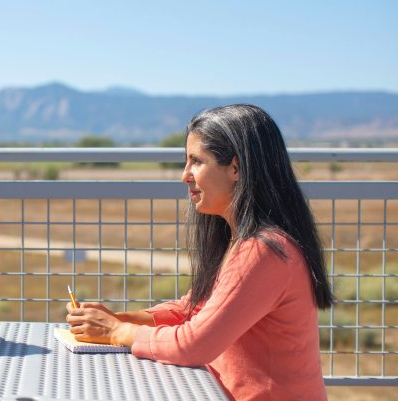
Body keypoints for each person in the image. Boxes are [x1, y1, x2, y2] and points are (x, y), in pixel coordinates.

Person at [66, 104, 333, 401]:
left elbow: (194, 344)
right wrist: (118, 318)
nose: (185, 175)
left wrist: (119, 332)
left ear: (236, 168)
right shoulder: (241, 240)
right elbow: (191, 309)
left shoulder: (265, 251)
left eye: (196, 161)